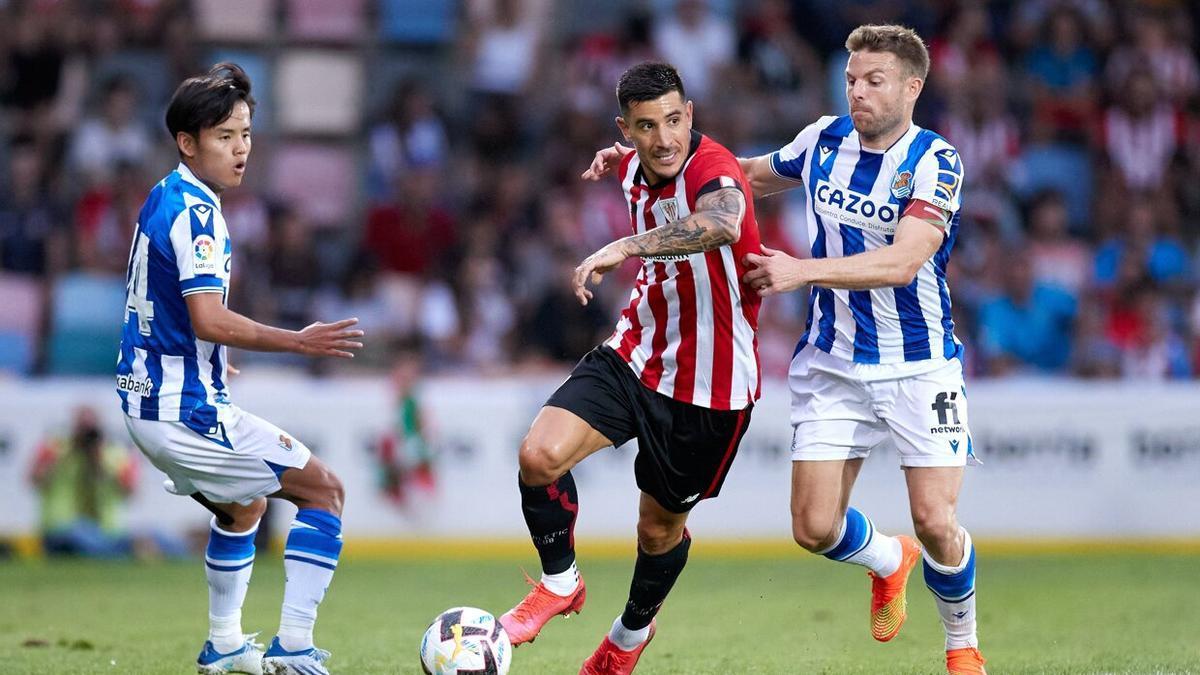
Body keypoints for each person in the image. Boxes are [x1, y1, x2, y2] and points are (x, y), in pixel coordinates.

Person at [586, 25, 987, 675]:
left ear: (913, 88)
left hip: (918, 362)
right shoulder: (823, 139)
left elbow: (905, 260)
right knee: (813, 525)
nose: (856, 91)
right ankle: (890, 558)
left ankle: (961, 642)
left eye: (874, 81)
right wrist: (641, 160)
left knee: (937, 518)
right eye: (852, 78)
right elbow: (736, 176)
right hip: (832, 360)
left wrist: (802, 270)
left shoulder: (935, 161)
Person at [499, 61, 762, 675]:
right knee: (539, 456)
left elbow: (722, 222)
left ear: (691, 114)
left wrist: (623, 245)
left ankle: (627, 638)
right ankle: (560, 583)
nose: (664, 138)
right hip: (635, 352)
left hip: (711, 385)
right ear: (626, 128)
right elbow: (645, 165)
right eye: (647, 127)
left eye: (674, 121)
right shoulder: (637, 165)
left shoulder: (712, 170)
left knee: (657, 530)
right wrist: (622, 158)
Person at [115, 63, 363, 675]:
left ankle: (224, 644)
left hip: (148, 401)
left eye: (246, 133)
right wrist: (297, 342)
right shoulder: (199, 215)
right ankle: (295, 647)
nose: (241, 149)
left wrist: (215, 358)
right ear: (187, 142)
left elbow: (164, 306)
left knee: (244, 509)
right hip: (182, 408)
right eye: (225, 136)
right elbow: (208, 318)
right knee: (324, 491)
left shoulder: (163, 193)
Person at [30, 405, 138, 558]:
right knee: (82, 537)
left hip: (107, 530)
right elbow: (35, 479)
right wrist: (65, 456)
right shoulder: (56, 447)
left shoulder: (113, 454)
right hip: (61, 527)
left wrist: (100, 463)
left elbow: (130, 490)